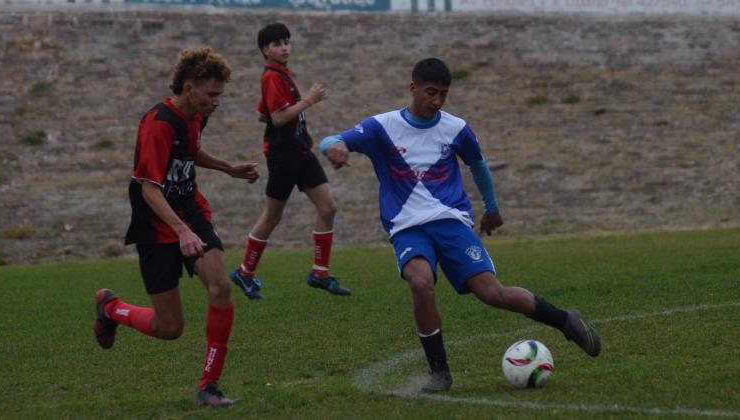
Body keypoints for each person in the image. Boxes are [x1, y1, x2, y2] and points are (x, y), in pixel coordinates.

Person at [321, 58, 602, 393]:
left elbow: (478, 166)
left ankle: (565, 320)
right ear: (413, 89)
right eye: (430, 93)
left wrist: (493, 208)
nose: (437, 101)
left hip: (452, 222)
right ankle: (440, 374)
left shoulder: (455, 128)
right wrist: (334, 147)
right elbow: (331, 140)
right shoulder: (383, 127)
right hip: (408, 227)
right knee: (421, 282)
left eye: (443, 94)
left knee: (492, 293)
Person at [92, 47, 260, 408]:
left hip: (190, 210)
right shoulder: (157, 124)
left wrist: (227, 168)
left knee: (220, 288)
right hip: (156, 223)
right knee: (169, 329)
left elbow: (190, 152)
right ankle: (111, 308)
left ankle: (209, 387)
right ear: (188, 88)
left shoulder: (196, 116)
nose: (217, 102)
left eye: (220, 95)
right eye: (212, 95)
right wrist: (181, 231)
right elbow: (149, 188)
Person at [229, 22, 351, 300]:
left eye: (286, 42)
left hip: (301, 151)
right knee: (272, 216)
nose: (284, 47)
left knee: (328, 206)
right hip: (283, 156)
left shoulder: (281, 75)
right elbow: (278, 118)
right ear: (264, 50)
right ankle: (244, 272)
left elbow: (265, 114)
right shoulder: (271, 76)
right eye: (276, 44)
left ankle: (320, 272)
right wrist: (308, 100)